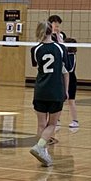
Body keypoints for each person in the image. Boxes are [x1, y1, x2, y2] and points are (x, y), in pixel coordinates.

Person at [29, 21, 68, 167]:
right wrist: (66, 91)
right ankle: (39, 147)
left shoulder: (35, 49)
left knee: (41, 124)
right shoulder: (60, 48)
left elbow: (36, 66)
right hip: (55, 90)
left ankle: (43, 153)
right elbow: (66, 69)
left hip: (40, 90)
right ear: (51, 31)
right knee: (52, 124)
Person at [48, 13, 78, 129]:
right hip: (56, 72)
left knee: (70, 99)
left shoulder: (62, 36)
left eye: (58, 23)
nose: (57, 25)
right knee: (59, 99)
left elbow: (63, 47)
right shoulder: (48, 36)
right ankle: (57, 119)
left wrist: (59, 37)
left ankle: (75, 120)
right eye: (55, 23)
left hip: (67, 73)